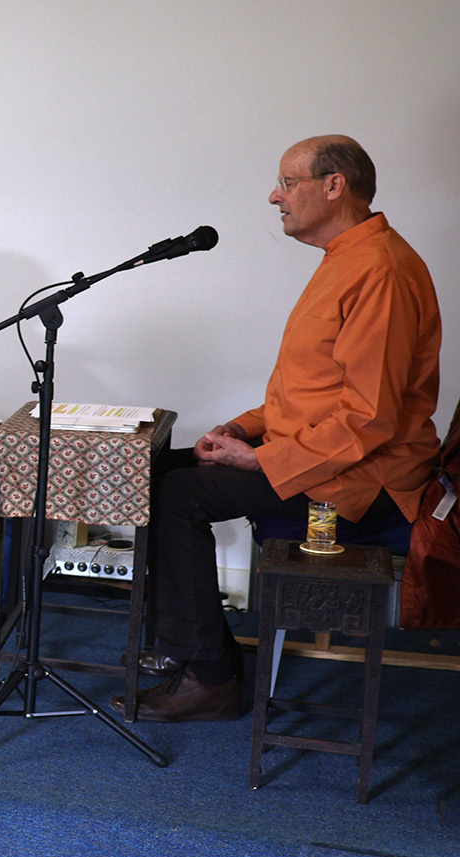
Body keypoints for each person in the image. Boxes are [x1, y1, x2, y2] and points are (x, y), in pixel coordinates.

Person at [116, 135, 441, 722]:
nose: (275, 196)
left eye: (288, 183)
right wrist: (238, 430)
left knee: (178, 494)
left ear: (334, 185)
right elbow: (308, 390)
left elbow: (369, 417)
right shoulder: (345, 258)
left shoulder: (380, 270)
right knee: (159, 465)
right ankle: (180, 645)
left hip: (363, 479)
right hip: (317, 449)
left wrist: (262, 460)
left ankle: (211, 679)